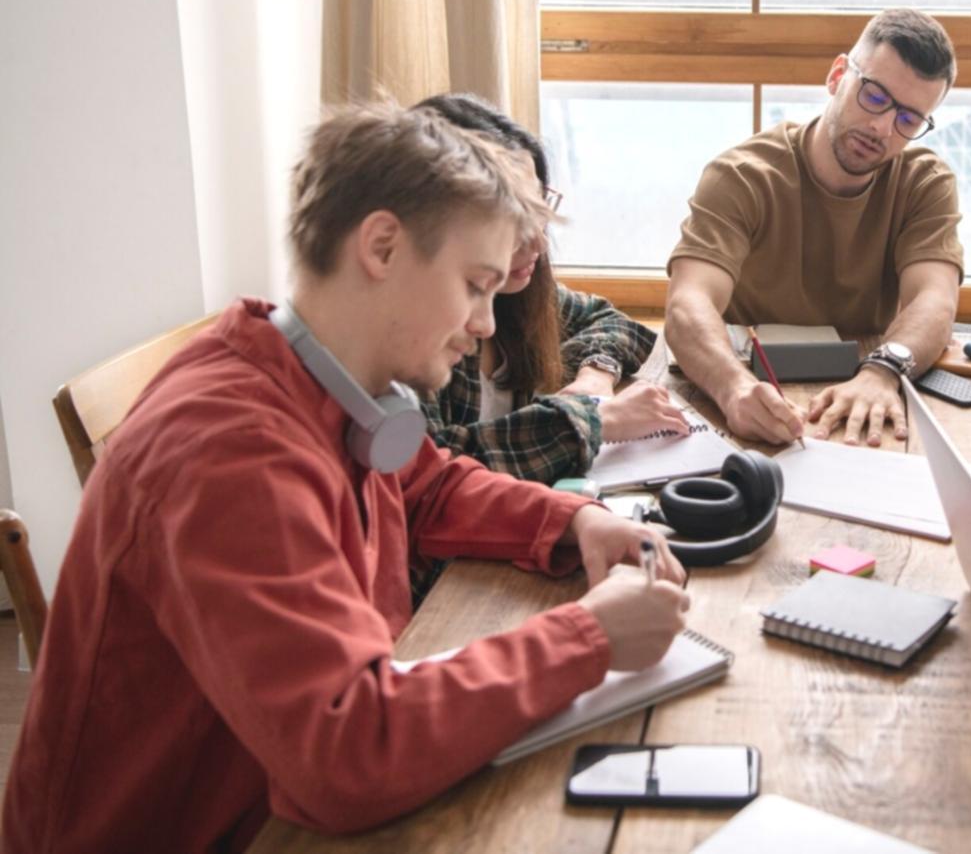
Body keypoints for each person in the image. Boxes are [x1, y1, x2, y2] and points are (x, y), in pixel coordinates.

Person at [2, 102, 690, 852]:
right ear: (383, 246)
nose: (490, 323)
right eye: (474, 285)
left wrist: (573, 522)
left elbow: (426, 487)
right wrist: (587, 637)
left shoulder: (313, 372)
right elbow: (350, 749)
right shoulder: (231, 451)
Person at [411, 93, 689, 603]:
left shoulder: (520, 296)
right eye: (513, 216)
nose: (536, 243)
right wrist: (591, 419)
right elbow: (437, 475)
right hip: (451, 592)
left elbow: (611, 320)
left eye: (540, 210)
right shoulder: (409, 339)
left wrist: (595, 376)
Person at [666, 8, 964, 447]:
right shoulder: (742, 175)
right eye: (875, 97)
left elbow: (935, 299)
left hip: (866, 391)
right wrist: (734, 388)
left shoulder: (925, 182)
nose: (882, 127)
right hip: (747, 389)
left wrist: (883, 371)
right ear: (837, 75)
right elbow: (687, 304)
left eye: (908, 120)